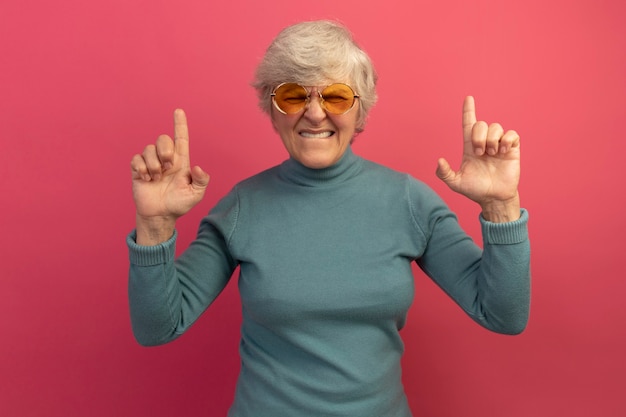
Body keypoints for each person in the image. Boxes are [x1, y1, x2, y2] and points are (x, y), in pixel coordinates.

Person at [127, 20, 530, 417]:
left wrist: (501, 206)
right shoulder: (241, 207)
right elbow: (160, 327)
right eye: (293, 96)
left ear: (360, 110)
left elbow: (502, 315)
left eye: (336, 97)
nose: (315, 114)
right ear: (272, 107)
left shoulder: (408, 201)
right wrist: (155, 225)